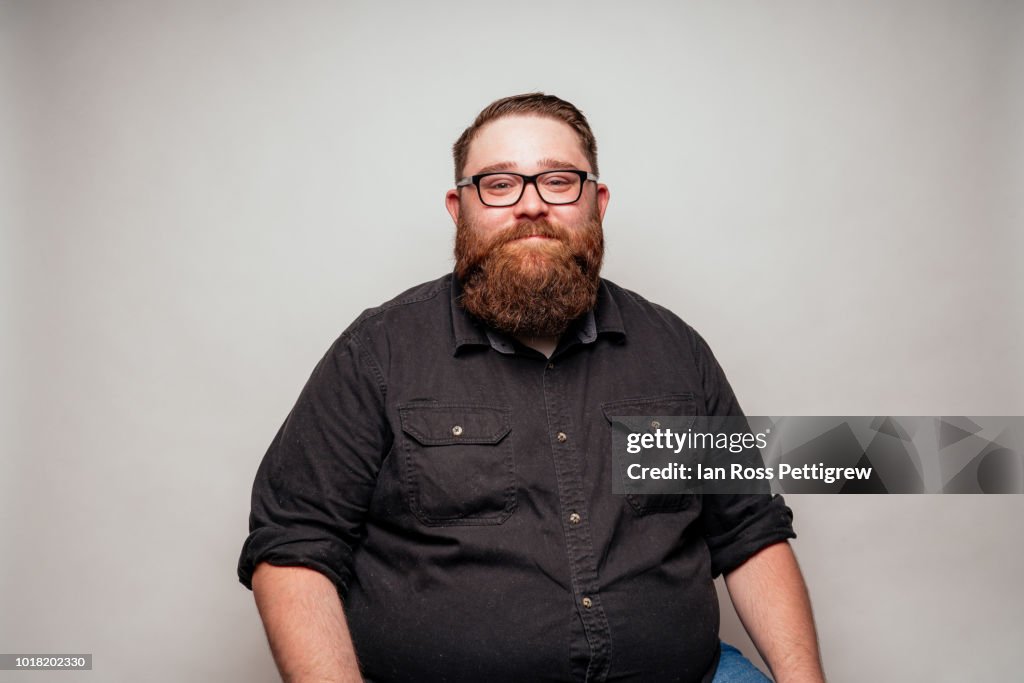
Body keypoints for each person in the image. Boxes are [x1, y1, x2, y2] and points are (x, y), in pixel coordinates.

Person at [238, 93, 825, 683]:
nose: (531, 206)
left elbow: (749, 532)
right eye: (498, 184)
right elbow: (294, 546)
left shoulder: (674, 351)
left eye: (558, 181)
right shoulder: (378, 352)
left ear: (597, 202)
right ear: (458, 206)